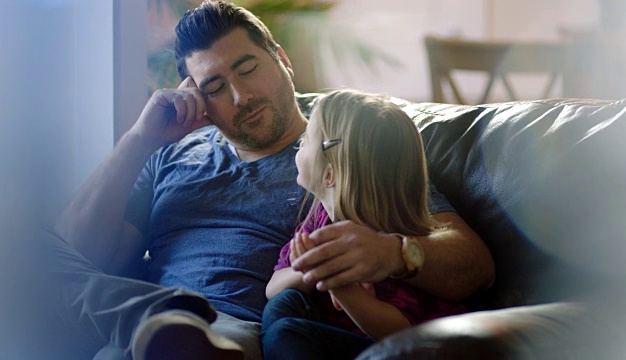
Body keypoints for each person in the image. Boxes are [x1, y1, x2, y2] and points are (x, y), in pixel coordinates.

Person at [42, 1, 494, 359]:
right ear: (195, 96)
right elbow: (76, 255)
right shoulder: (171, 153)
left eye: (247, 68)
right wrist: (139, 140)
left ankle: (161, 318)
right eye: (215, 87)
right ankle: (153, 316)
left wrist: (396, 253)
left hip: (229, 333)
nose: (241, 96)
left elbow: (473, 264)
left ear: (281, 58)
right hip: (135, 332)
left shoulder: (341, 149)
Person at [260, 89, 467, 359]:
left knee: (286, 333)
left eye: (306, 138)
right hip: (338, 336)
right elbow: (272, 288)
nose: (299, 144)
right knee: (283, 302)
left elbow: (398, 332)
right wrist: (310, 270)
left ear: (330, 175)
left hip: (401, 349)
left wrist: (343, 288)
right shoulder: (319, 220)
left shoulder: (383, 241)